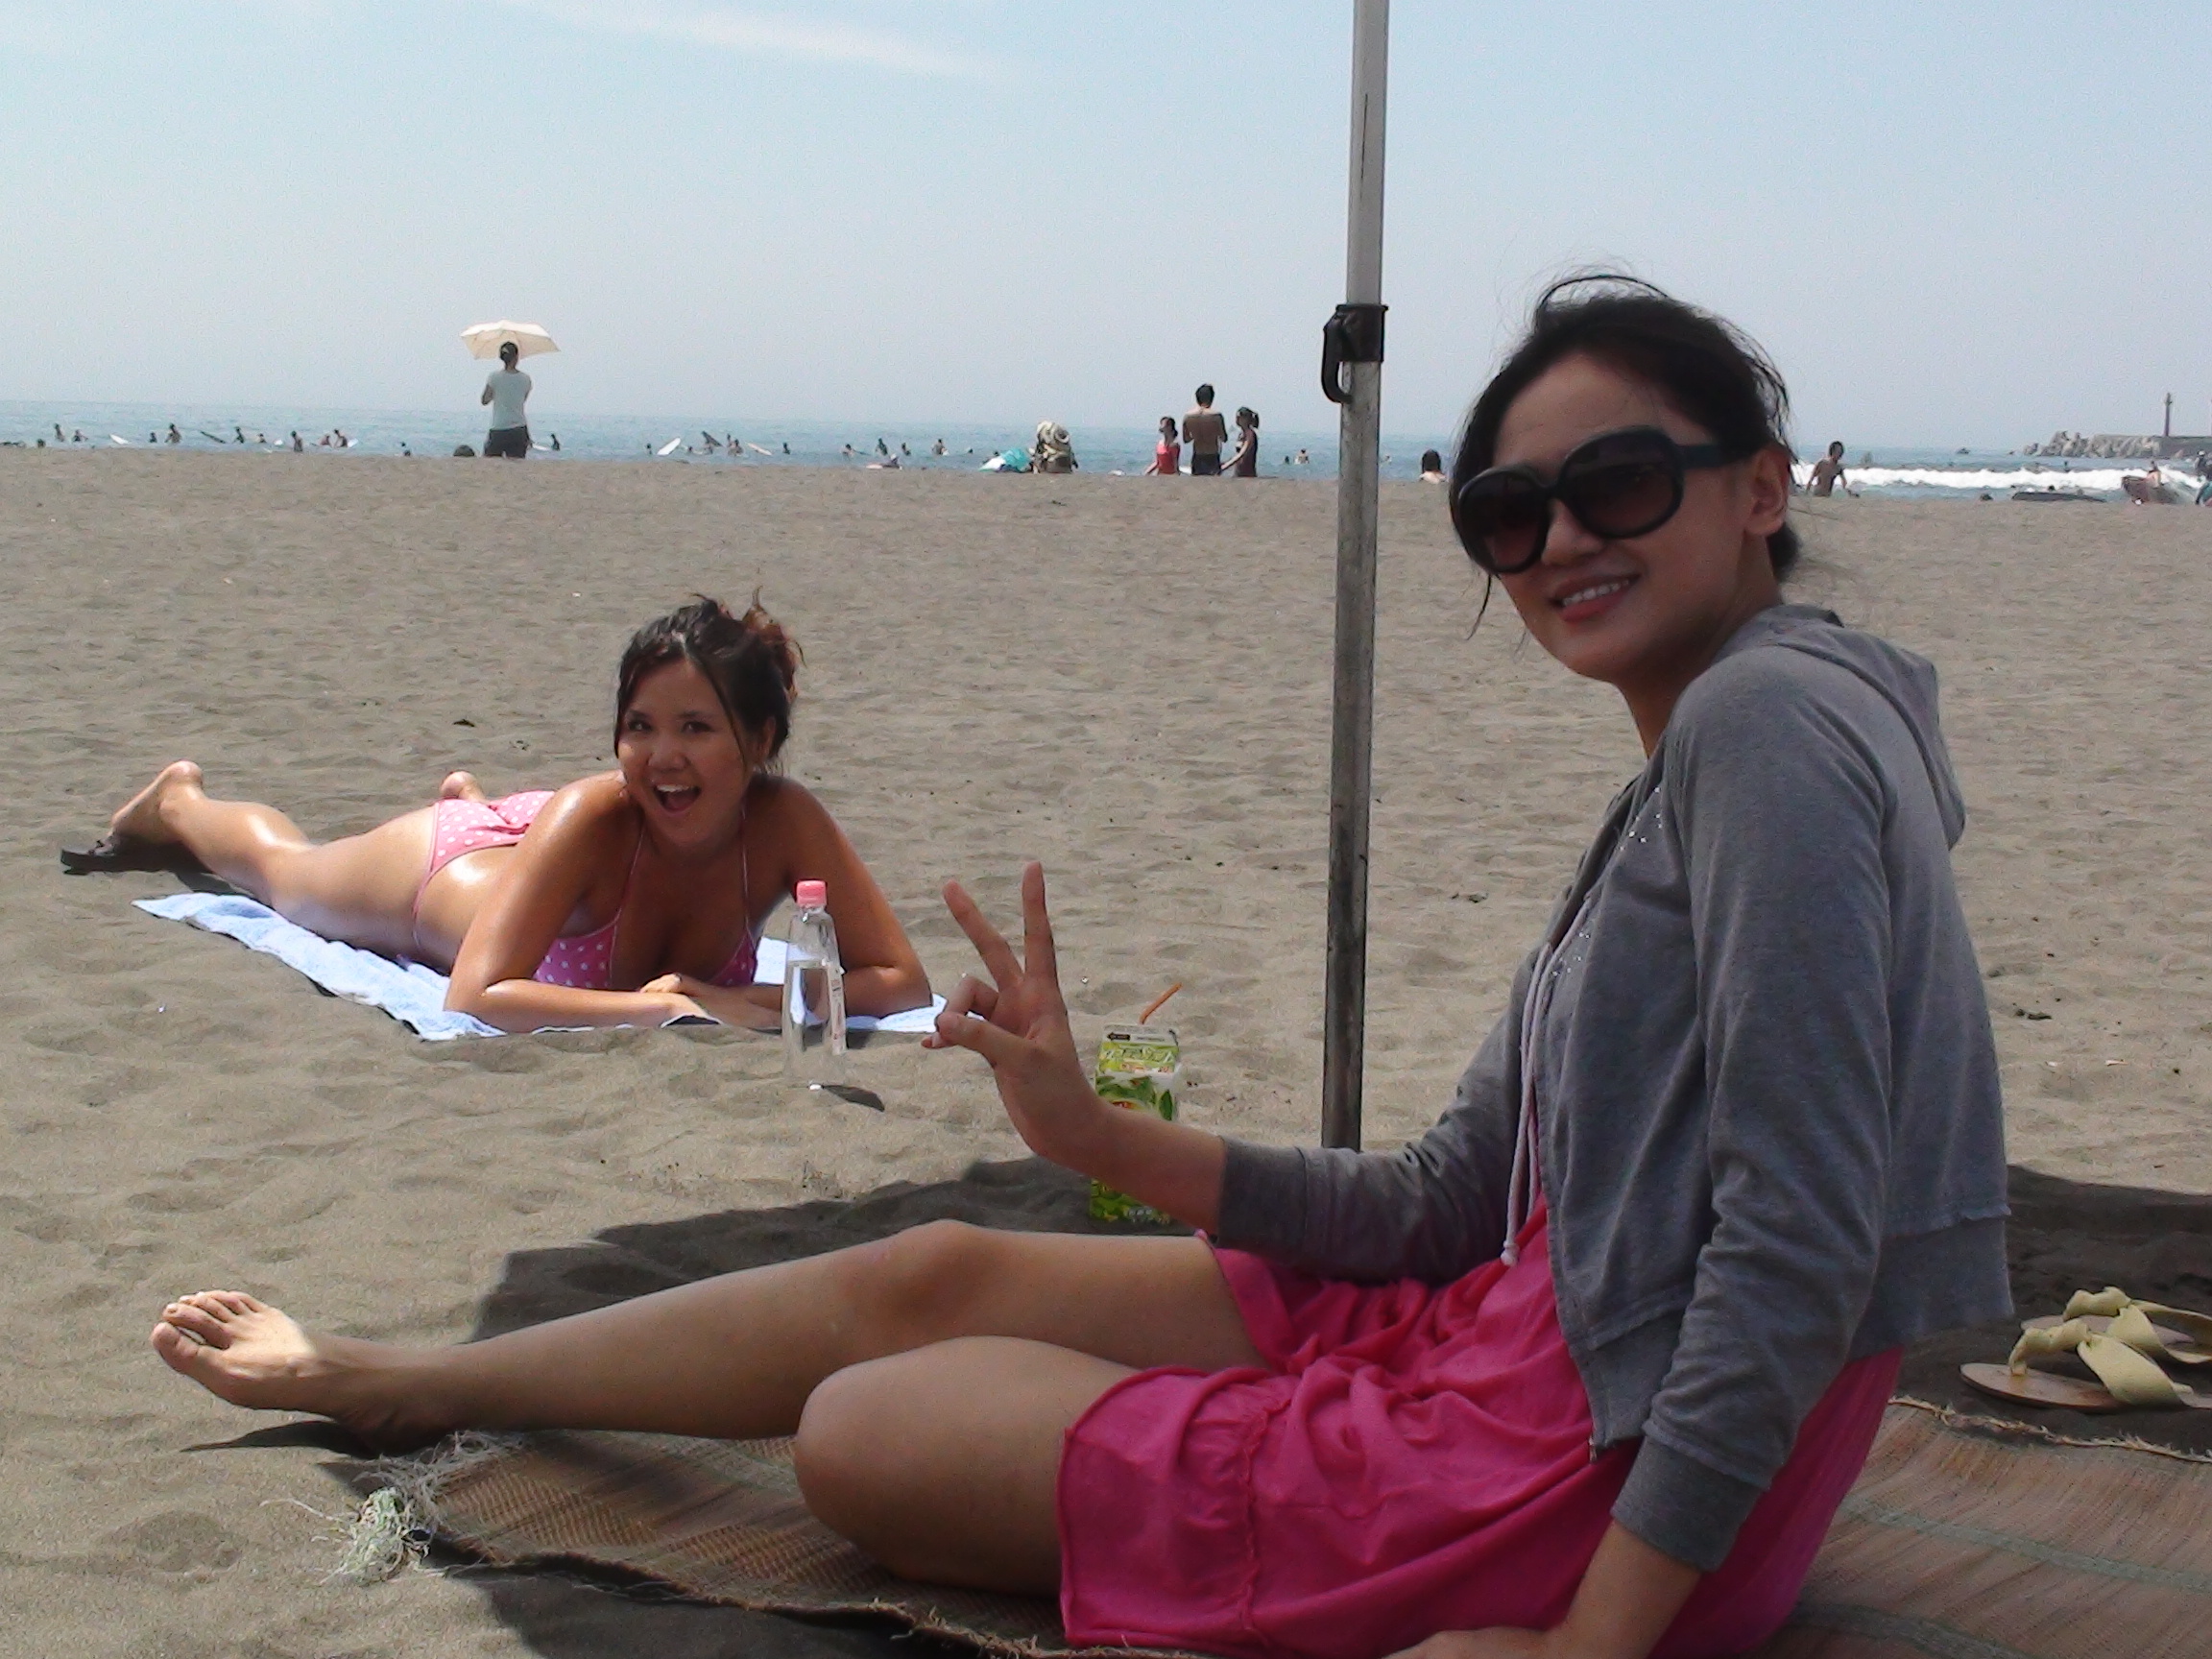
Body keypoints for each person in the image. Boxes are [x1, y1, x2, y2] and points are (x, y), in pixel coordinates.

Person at [149, 278, 2008, 1659]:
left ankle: (413, 1379)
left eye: (1616, 480)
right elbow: (1448, 1202)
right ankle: (403, 1378)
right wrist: (1093, 1136)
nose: (1562, 540)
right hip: (1530, 1337)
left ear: (1759, 486)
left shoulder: (1761, 731)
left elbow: (1799, 1241)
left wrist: (1593, 1648)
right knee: (936, 1273)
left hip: (1558, 1471)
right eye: (1510, 512)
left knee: (865, 1435)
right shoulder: (1753, 733)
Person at [83, 598, 929, 1035]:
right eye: (639, 728)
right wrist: (667, 1009)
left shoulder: (783, 821)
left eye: (696, 730)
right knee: (285, 877)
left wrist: (755, 998)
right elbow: (477, 994)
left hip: (552, 857)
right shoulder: (600, 808)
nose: (661, 756)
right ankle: (180, 799)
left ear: (761, 740)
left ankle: (475, 797)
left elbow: (901, 980)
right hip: (445, 873)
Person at [480, 341, 533, 460]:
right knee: (517, 464)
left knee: (490, 462)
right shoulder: (525, 379)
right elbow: (522, 400)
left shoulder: (494, 377)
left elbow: (484, 400)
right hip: (519, 429)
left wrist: (496, 393)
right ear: (516, 357)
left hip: (499, 428)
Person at [1182, 384, 1228, 475]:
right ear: (1211, 398)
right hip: (1212, 455)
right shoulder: (1216, 416)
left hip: (1197, 455)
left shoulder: (1188, 416)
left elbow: (1186, 439)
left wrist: (1196, 434)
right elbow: (1224, 438)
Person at [1224, 407, 1260, 477]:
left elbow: (1242, 453)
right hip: (1239, 472)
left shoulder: (1250, 434)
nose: (1236, 419)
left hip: (1247, 473)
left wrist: (1226, 465)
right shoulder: (1241, 434)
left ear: (1246, 419)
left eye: (1239, 417)